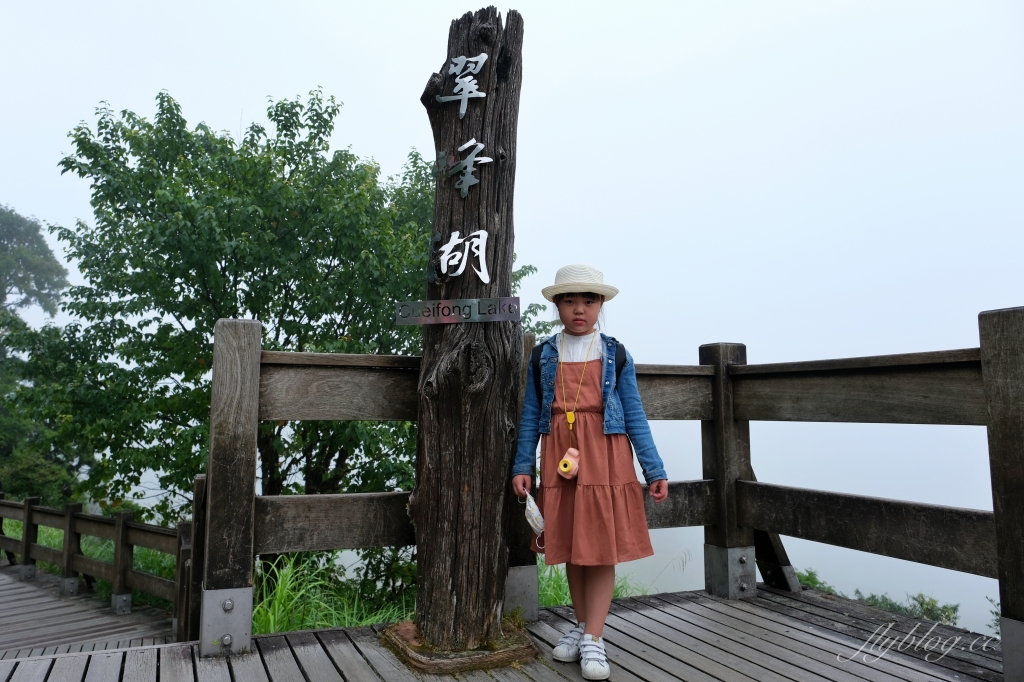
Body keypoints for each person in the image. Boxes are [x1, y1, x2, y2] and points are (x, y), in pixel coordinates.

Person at [512, 263, 668, 680]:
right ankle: (583, 628)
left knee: (598, 548)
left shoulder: (615, 353)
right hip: (559, 457)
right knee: (572, 544)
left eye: (588, 300)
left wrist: (654, 470)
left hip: (605, 455)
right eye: (569, 301)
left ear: (600, 305)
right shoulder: (543, 354)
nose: (578, 309)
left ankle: (595, 637)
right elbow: (530, 414)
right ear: (557, 306)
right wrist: (523, 465)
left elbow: (634, 414)